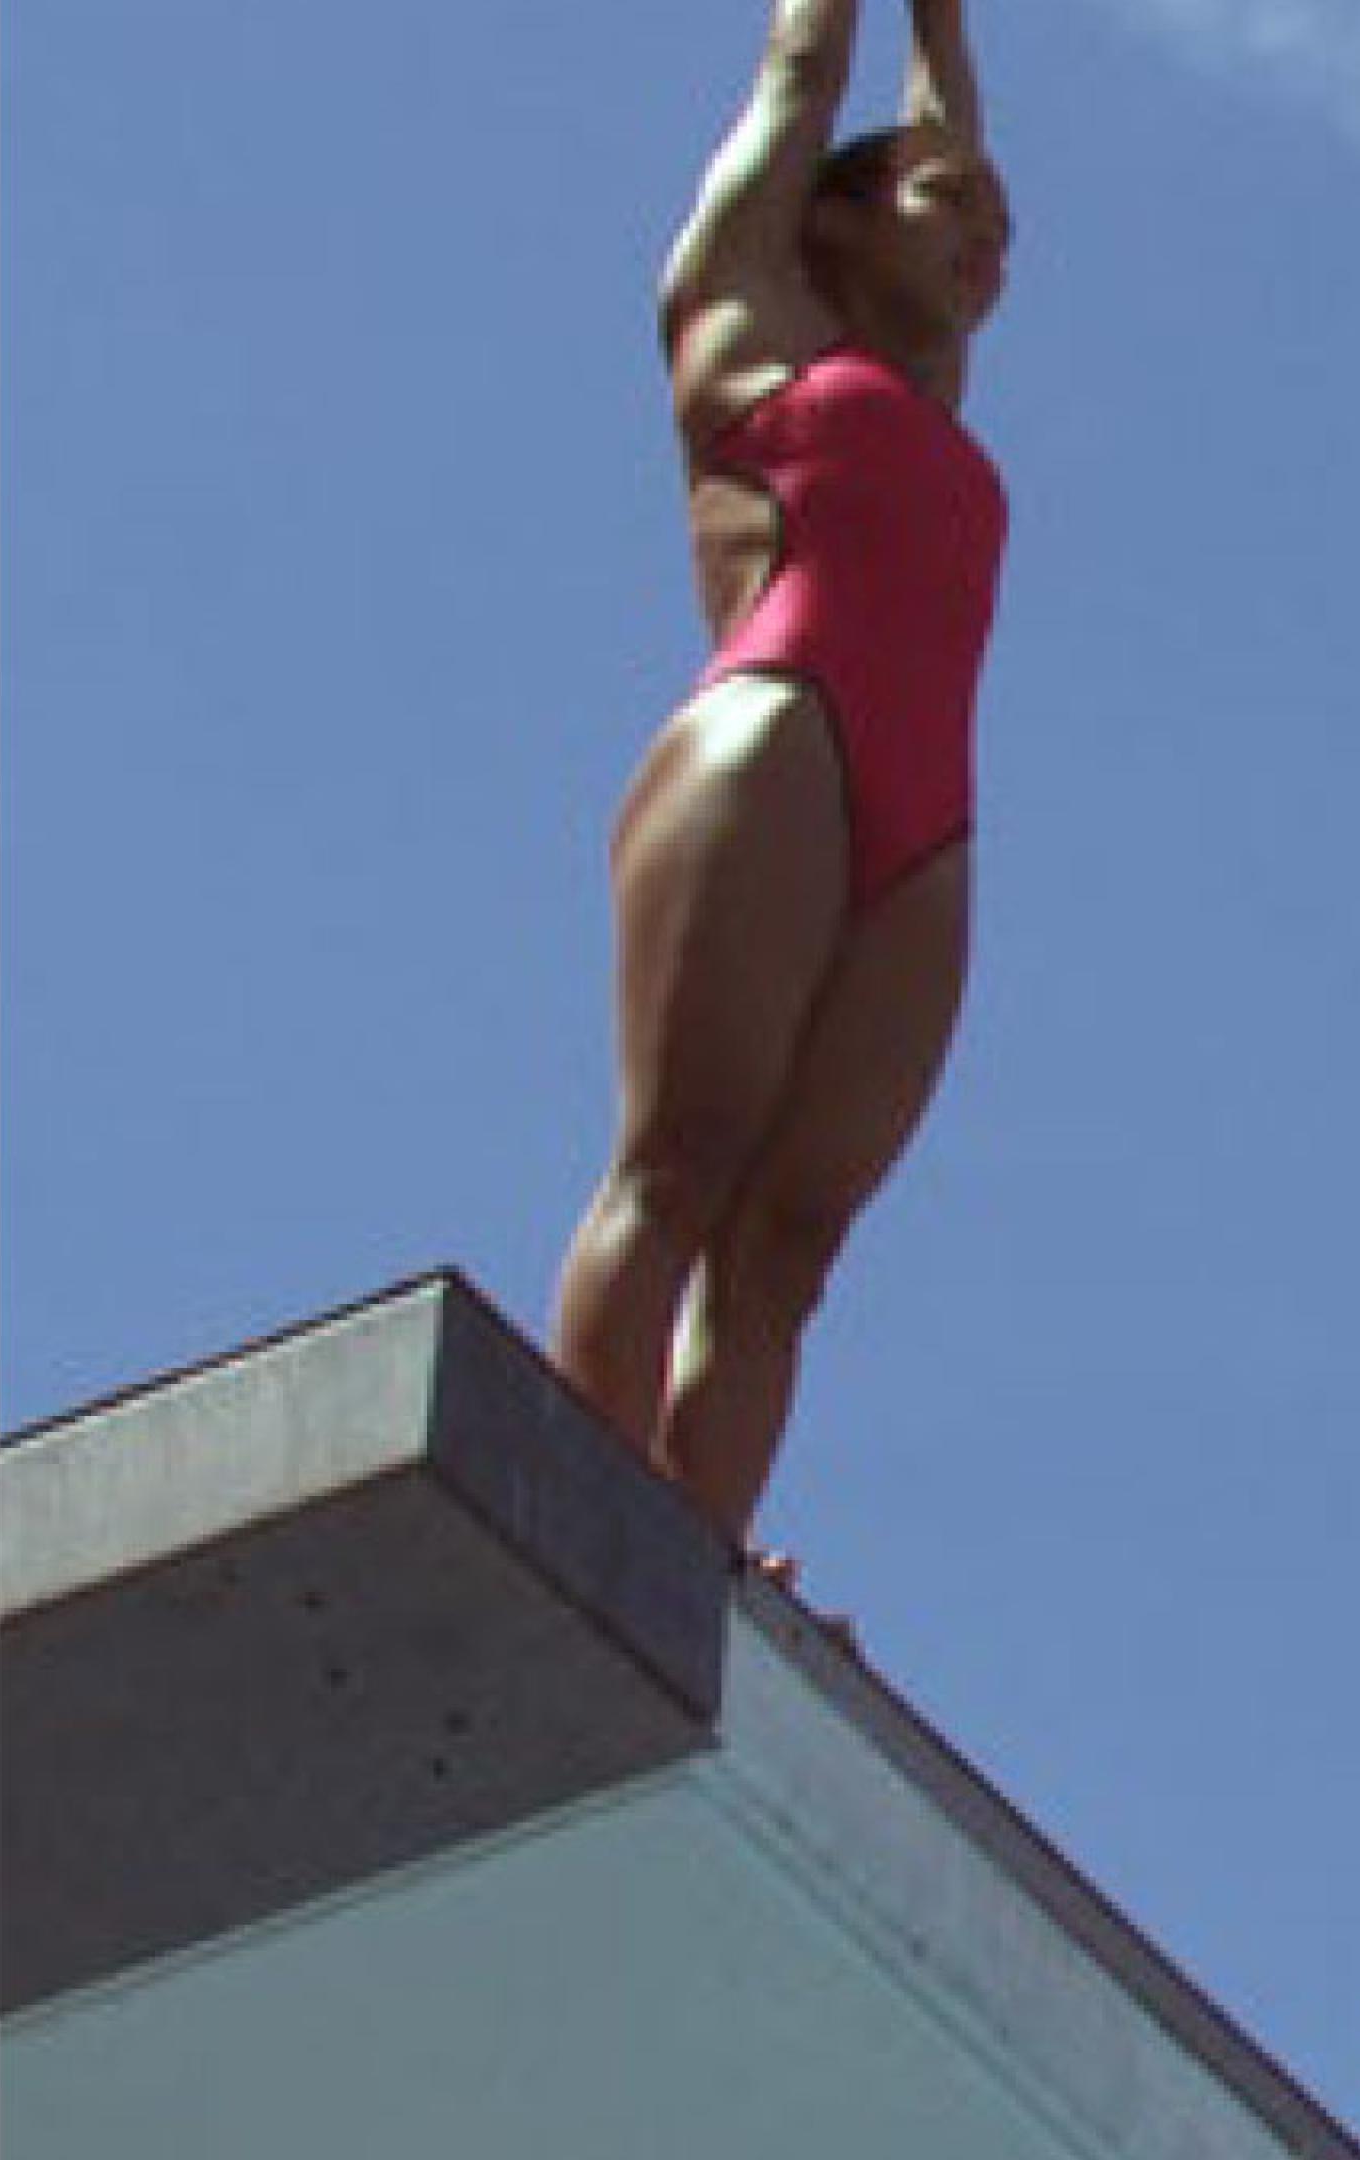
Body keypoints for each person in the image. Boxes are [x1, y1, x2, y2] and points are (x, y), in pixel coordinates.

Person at [550, 0, 1013, 1542]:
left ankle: (694, 1558)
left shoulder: (924, 389)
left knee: (791, 1247)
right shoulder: (745, 316)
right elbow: (804, 67)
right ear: (832, 212)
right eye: (948, 204)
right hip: (777, 735)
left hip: (926, 821)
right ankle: (575, 1495)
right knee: (682, 1164)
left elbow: (951, 145)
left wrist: (948, 25)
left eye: (1002, 231)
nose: (987, 242)